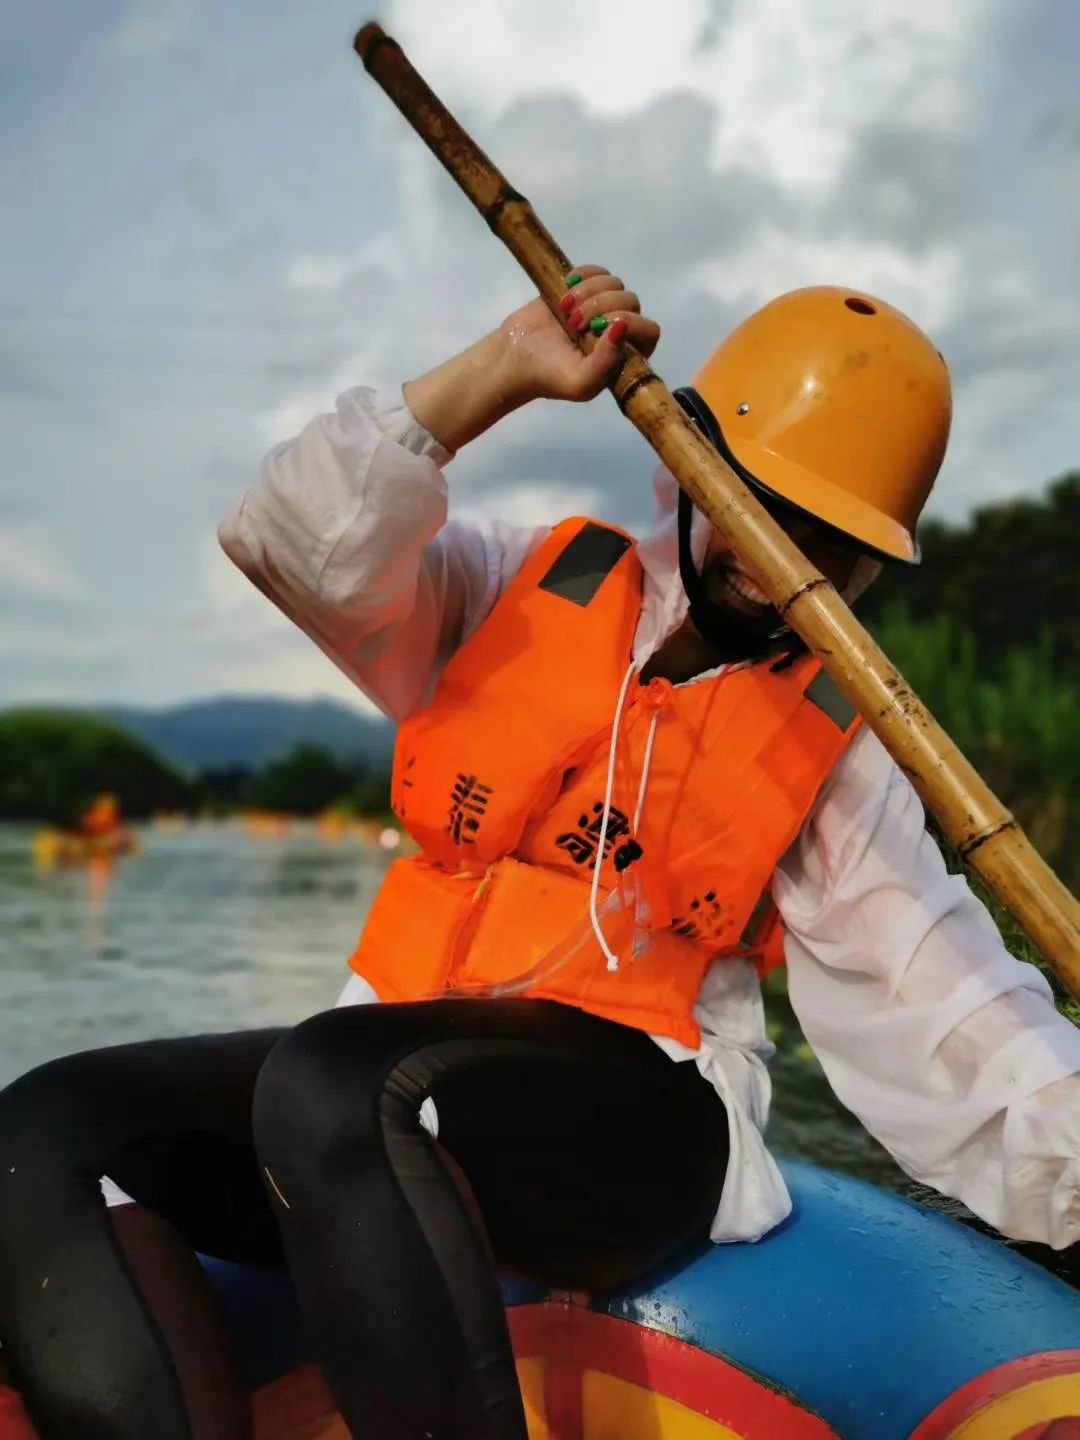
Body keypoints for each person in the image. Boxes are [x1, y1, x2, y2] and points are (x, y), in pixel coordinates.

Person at [0, 268, 1077, 1440]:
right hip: (374, 1093)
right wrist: (506, 364)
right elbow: (294, 544)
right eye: (766, 506)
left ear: (874, 568)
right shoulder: (519, 581)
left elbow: (954, 1006)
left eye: (833, 542)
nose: (781, 560)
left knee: (341, 1088)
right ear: (684, 462)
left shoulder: (841, 750)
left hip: (636, 1119)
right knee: (52, 1121)